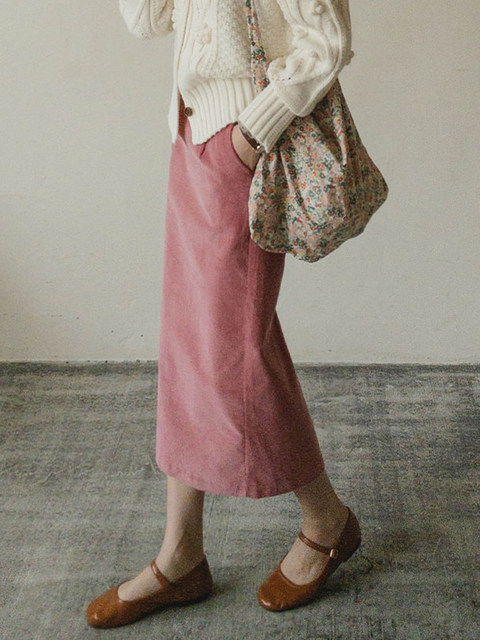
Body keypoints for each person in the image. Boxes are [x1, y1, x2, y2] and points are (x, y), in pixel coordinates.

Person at [87, 0, 361, 628]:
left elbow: (328, 40)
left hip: (244, 145)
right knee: (192, 343)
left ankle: (325, 519)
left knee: (235, 351)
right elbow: (147, 20)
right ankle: (181, 552)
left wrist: (251, 134)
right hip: (191, 138)